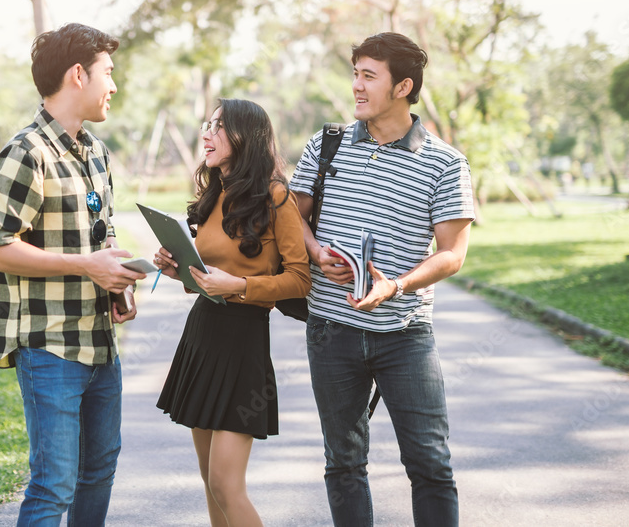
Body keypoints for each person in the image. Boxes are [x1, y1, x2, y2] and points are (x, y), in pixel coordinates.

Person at [290, 32, 474, 526]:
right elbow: (291, 214)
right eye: (355, 74)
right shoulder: (325, 145)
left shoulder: (445, 163)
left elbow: (453, 254)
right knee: (344, 463)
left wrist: (395, 285)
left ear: (402, 86)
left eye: (368, 76)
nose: (356, 86)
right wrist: (314, 250)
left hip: (406, 335)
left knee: (430, 464)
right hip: (331, 328)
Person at [0, 23, 145, 527]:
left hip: (100, 343)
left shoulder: (95, 151)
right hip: (50, 348)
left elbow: (100, 234)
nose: (113, 85)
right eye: (107, 74)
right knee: (53, 485)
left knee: (99, 471)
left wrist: (116, 275)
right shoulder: (25, 154)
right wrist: (84, 265)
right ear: (78, 75)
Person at [153, 98, 311, 527]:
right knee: (209, 480)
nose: (207, 133)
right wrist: (177, 271)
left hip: (243, 345)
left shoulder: (276, 196)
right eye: (208, 124)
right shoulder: (215, 193)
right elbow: (205, 278)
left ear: (245, 137)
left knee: (226, 483)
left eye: (218, 127)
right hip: (202, 335)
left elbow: (300, 280)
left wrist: (240, 287)